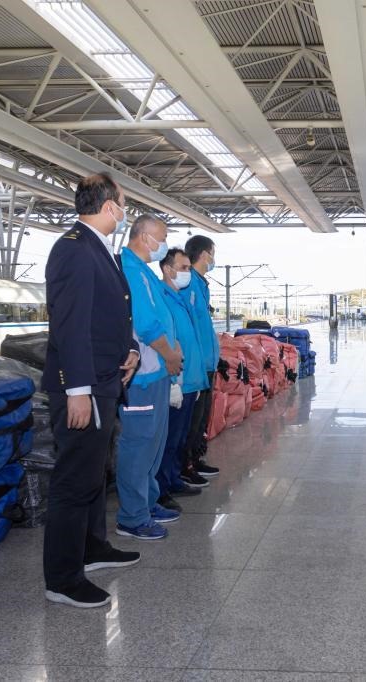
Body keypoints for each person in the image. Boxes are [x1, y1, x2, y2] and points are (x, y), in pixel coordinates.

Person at [41, 172, 141, 609]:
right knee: (73, 481)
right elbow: (71, 325)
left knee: (93, 474)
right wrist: (76, 390)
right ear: (109, 206)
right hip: (84, 386)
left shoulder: (99, 250)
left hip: (105, 379)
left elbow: (110, 317)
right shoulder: (74, 249)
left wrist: (131, 349)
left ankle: (92, 547)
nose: (125, 212)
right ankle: (63, 578)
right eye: (123, 204)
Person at [116, 214, 183, 540]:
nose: (165, 244)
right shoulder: (130, 270)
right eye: (163, 237)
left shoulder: (145, 272)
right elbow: (144, 324)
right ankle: (131, 517)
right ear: (145, 237)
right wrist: (170, 354)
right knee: (138, 446)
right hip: (141, 377)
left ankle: (147, 502)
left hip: (156, 373)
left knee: (153, 446)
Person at [155, 248, 208, 512]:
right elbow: (166, 341)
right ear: (167, 269)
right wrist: (174, 381)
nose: (188, 272)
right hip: (176, 379)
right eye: (184, 268)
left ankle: (174, 479)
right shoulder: (161, 297)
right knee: (168, 439)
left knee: (179, 437)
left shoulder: (179, 298)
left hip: (190, 379)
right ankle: (161, 490)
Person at [180, 235, 221, 488]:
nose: (214, 258)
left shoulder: (201, 285)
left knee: (202, 417)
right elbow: (189, 328)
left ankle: (195, 459)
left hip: (207, 363)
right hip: (196, 365)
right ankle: (185, 466)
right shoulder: (189, 284)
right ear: (205, 254)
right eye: (213, 253)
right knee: (191, 420)